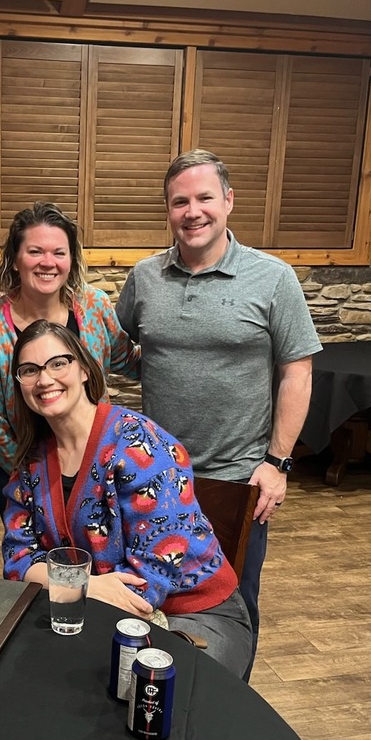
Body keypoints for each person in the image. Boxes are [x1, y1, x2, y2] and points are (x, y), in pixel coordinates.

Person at [115, 149, 321, 670]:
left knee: (233, 609)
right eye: (179, 201)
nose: (193, 211)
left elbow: (297, 372)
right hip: (155, 476)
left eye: (204, 197)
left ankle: (228, 718)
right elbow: (121, 350)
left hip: (237, 480)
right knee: (153, 601)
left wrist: (277, 464)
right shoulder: (145, 277)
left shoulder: (273, 278)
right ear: (167, 210)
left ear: (228, 201)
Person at [2, 321, 252, 678]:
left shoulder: (139, 445)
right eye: (29, 370)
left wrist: (60, 581)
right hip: (92, 608)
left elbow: (145, 585)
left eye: (58, 363)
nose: (44, 379)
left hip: (195, 614)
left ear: (85, 370)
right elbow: (17, 563)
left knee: (150, 703)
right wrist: (88, 585)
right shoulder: (31, 461)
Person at [0, 202, 140, 515]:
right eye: (35, 252)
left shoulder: (95, 307)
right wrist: (41, 479)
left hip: (96, 465)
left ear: (71, 260)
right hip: (24, 474)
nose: (48, 263)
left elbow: (128, 360)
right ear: (15, 260)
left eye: (59, 253)